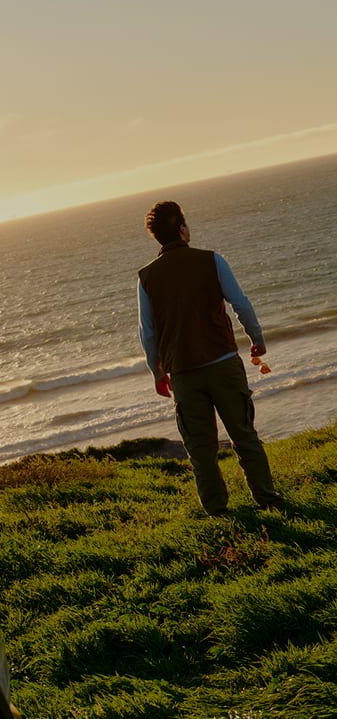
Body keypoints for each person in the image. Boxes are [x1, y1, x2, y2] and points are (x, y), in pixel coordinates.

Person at [137, 200, 283, 516]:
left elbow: (147, 334)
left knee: (201, 450)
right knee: (244, 436)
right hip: (223, 361)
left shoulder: (146, 277)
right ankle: (268, 498)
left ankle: (217, 510)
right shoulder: (211, 260)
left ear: (157, 237)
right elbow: (241, 304)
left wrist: (157, 372)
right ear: (182, 229)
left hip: (183, 372)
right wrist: (256, 339)